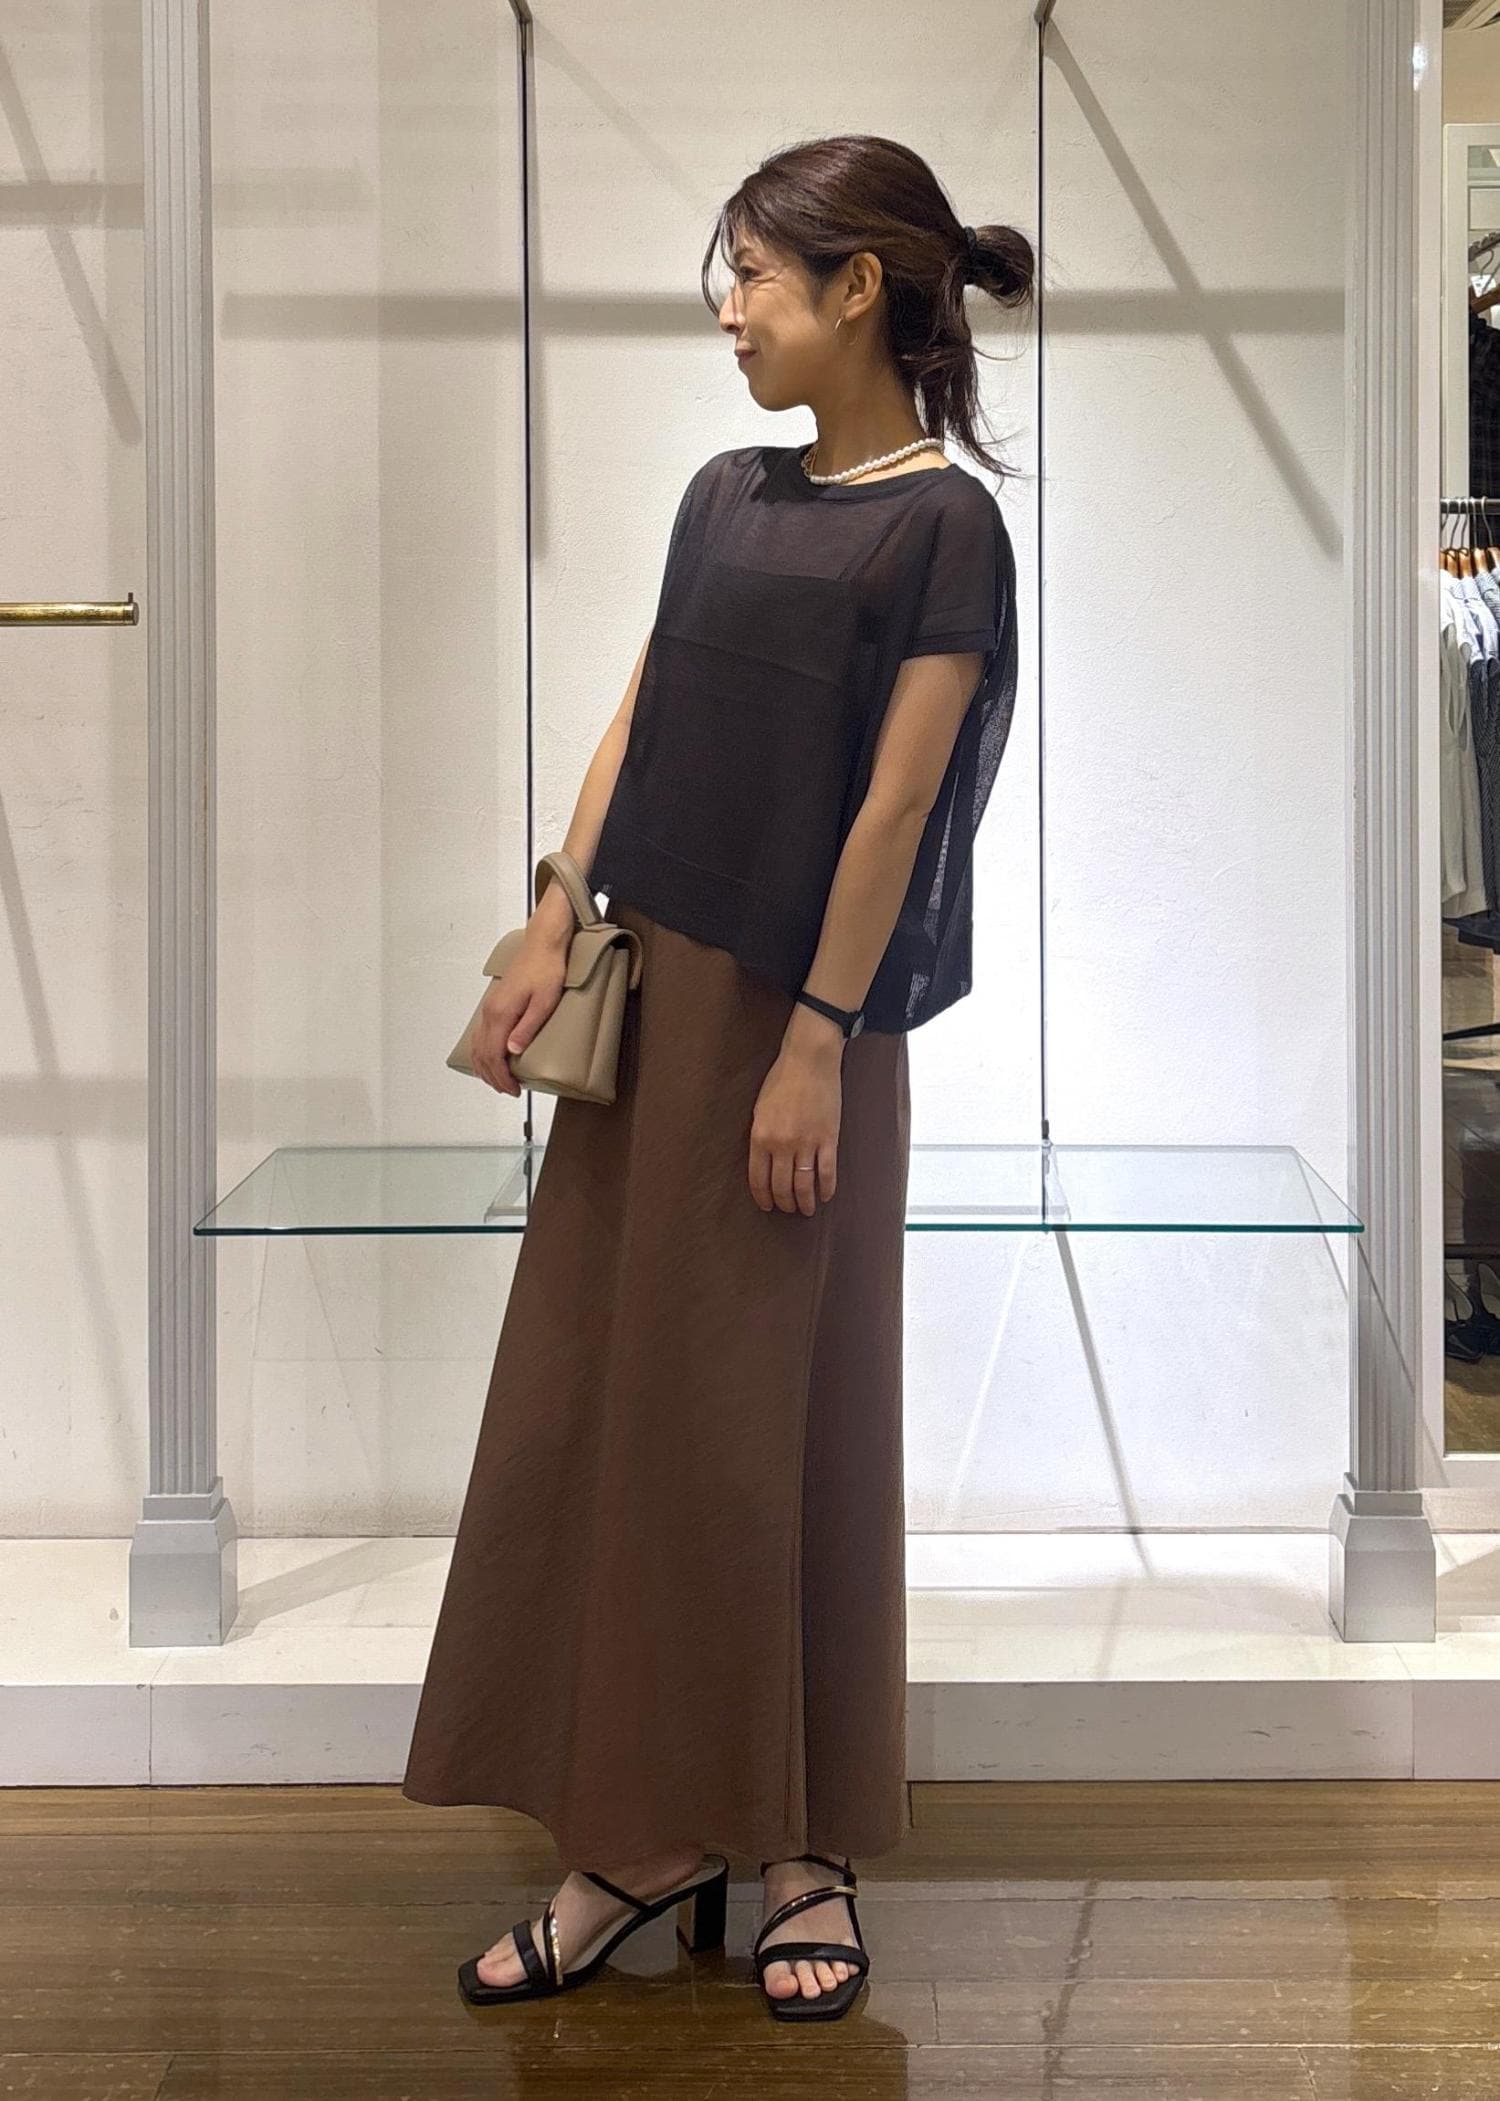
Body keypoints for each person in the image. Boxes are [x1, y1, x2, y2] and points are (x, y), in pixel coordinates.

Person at [401, 131, 1031, 2022]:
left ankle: (804, 1841)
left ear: (859, 288)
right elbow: (643, 711)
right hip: (660, 1013)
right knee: (619, 1413)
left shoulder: (947, 527)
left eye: (755, 275)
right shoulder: (724, 492)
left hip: (800, 1033)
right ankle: (637, 1834)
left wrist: (816, 1042)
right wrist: (550, 915)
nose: (731, 312)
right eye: (731, 275)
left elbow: (900, 808)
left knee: (785, 1424)